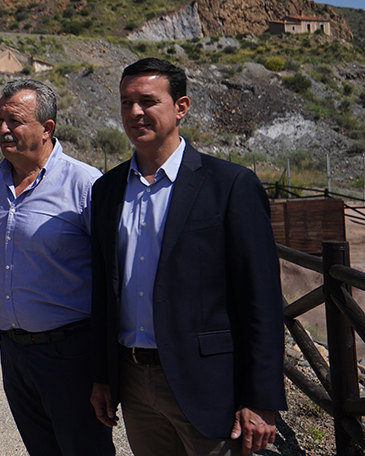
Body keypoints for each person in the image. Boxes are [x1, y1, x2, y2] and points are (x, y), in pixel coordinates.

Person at [89, 58, 286, 456]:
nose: (135, 112)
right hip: (133, 382)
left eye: (147, 101)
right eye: (126, 102)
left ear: (181, 107)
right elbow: (103, 290)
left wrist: (262, 397)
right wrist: (102, 375)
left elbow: (261, 299)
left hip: (208, 385)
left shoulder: (230, 185)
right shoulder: (107, 189)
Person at [0, 79, 114, 456]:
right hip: (14, 352)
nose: (4, 130)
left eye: (15, 121)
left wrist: (105, 368)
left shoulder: (85, 184)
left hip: (71, 354)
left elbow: (111, 275)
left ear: (48, 128)